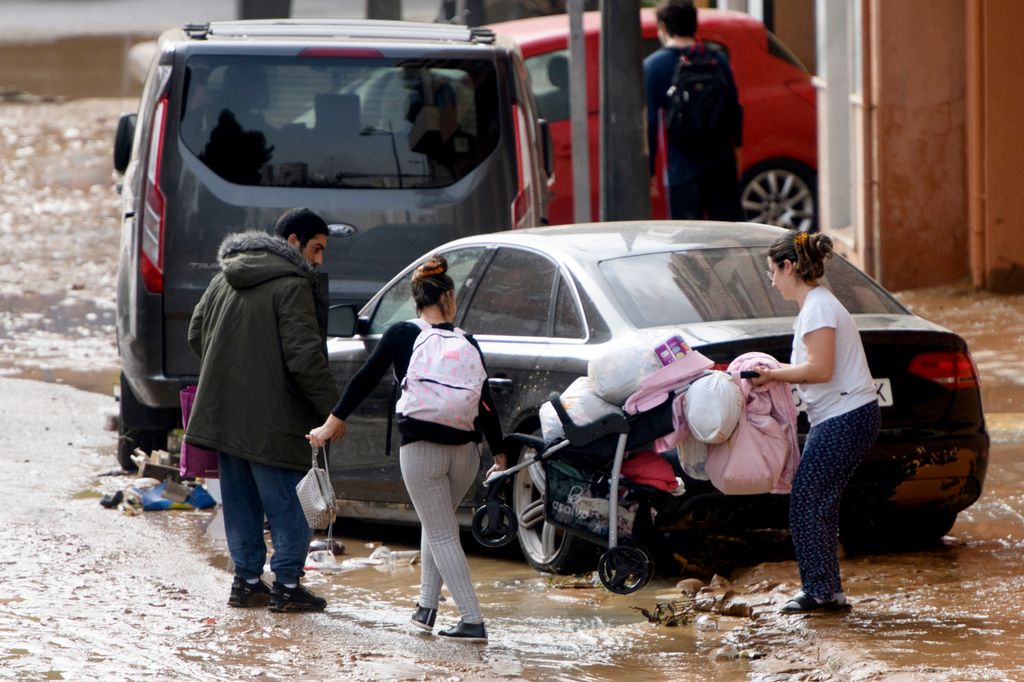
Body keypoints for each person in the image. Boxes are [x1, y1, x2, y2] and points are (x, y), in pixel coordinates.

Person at [307, 256, 507, 642]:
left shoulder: (401, 333)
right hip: (466, 451)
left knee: (442, 532)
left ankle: (472, 619)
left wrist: (333, 421)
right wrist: (498, 452)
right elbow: (484, 402)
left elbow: (365, 379)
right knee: (439, 525)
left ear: (417, 300)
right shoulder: (467, 340)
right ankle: (426, 609)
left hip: (421, 449)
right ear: (448, 298)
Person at [185, 208, 339, 613]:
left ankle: (247, 582)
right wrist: (333, 412)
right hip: (275, 419)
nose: (320, 259)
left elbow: (196, 333)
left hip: (224, 415)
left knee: (240, 502)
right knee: (288, 504)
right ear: (292, 242)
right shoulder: (292, 285)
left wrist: (231, 375)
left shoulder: (224, 277)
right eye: (317, 248)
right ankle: (287, 585)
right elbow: (304, 358)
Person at [750, 231, 881, 613]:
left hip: (847, 416)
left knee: (808, 500)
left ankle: (822, 593)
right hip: (843, 415)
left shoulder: (819, 307)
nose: (772, 281)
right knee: (816, 501)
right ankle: (827, 591)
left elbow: (820, 369)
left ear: (789, 267)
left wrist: (772, 375)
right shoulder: (816, 306)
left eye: (773, 272)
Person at [644, 0, 743, 220]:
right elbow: (734, 108)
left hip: (682, 168)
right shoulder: (717, 59)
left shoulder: (654, 66)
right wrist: (737, 152)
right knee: (729, 236)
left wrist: (649, 171)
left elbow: (650, 121)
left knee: (687, 240)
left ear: (663, 27)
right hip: (721, 164)